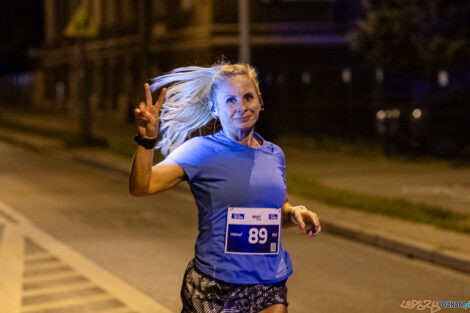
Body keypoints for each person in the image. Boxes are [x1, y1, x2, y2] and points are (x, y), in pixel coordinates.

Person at [129, 63, 321, 313]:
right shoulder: (201, 150)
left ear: (260, 101)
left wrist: (294, 212)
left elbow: (274, 210)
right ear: (214, 108)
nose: (242, 107)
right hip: (215, 287)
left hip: (269, 282)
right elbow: (142, 186)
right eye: (230, 100)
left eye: (248, 97)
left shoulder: (275, 154)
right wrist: (146, 140)